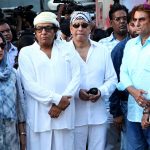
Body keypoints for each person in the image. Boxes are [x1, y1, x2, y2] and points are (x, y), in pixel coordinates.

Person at [18, 11, 80, 150]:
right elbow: (29, 85)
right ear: (35, 32)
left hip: (64, 114)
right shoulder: (26, 53)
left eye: (48, 28)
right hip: (39, 118)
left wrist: (61, 105)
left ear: (55, 30)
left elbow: (77, 77)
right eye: (39, 29)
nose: (43, 32)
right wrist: (58, 99)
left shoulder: (68, 49)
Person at [69, 11, 117, 150]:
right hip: (74, 115)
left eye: (84, 25)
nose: (80, 29)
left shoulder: (102, 50)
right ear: (71, 28)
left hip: (98, 114)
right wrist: (77, 93)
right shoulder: (62, 51)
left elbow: (112, 79)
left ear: (90, 27)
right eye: (76, 25)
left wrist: (101, 91)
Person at [118, 4, 150, 150]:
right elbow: (123, 72)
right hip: (133, 111)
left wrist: (147, 110)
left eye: (142, 19)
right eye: (135, 20)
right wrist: (134, 92)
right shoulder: (130, 45)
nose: (137, 24)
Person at [99, 4, 128, 150]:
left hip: (130, 104)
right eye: (118, 19)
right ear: (111, 22)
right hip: (108, 106)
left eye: (124, 18)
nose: (122, 21)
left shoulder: (135, 45)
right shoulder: (101, 46)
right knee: (109, 146)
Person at [109, 12, 138, 150]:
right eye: (133, 24)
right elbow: (114, 81)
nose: (137, 27)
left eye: (141, 22)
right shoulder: (121, 49)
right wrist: (117, 112)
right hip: (127, 105)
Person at [0, 32, 25, 150]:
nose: (0, 49)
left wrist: (23, 136)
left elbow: (20, 107)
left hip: (11, 137)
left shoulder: (12, 74)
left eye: (1, 46)